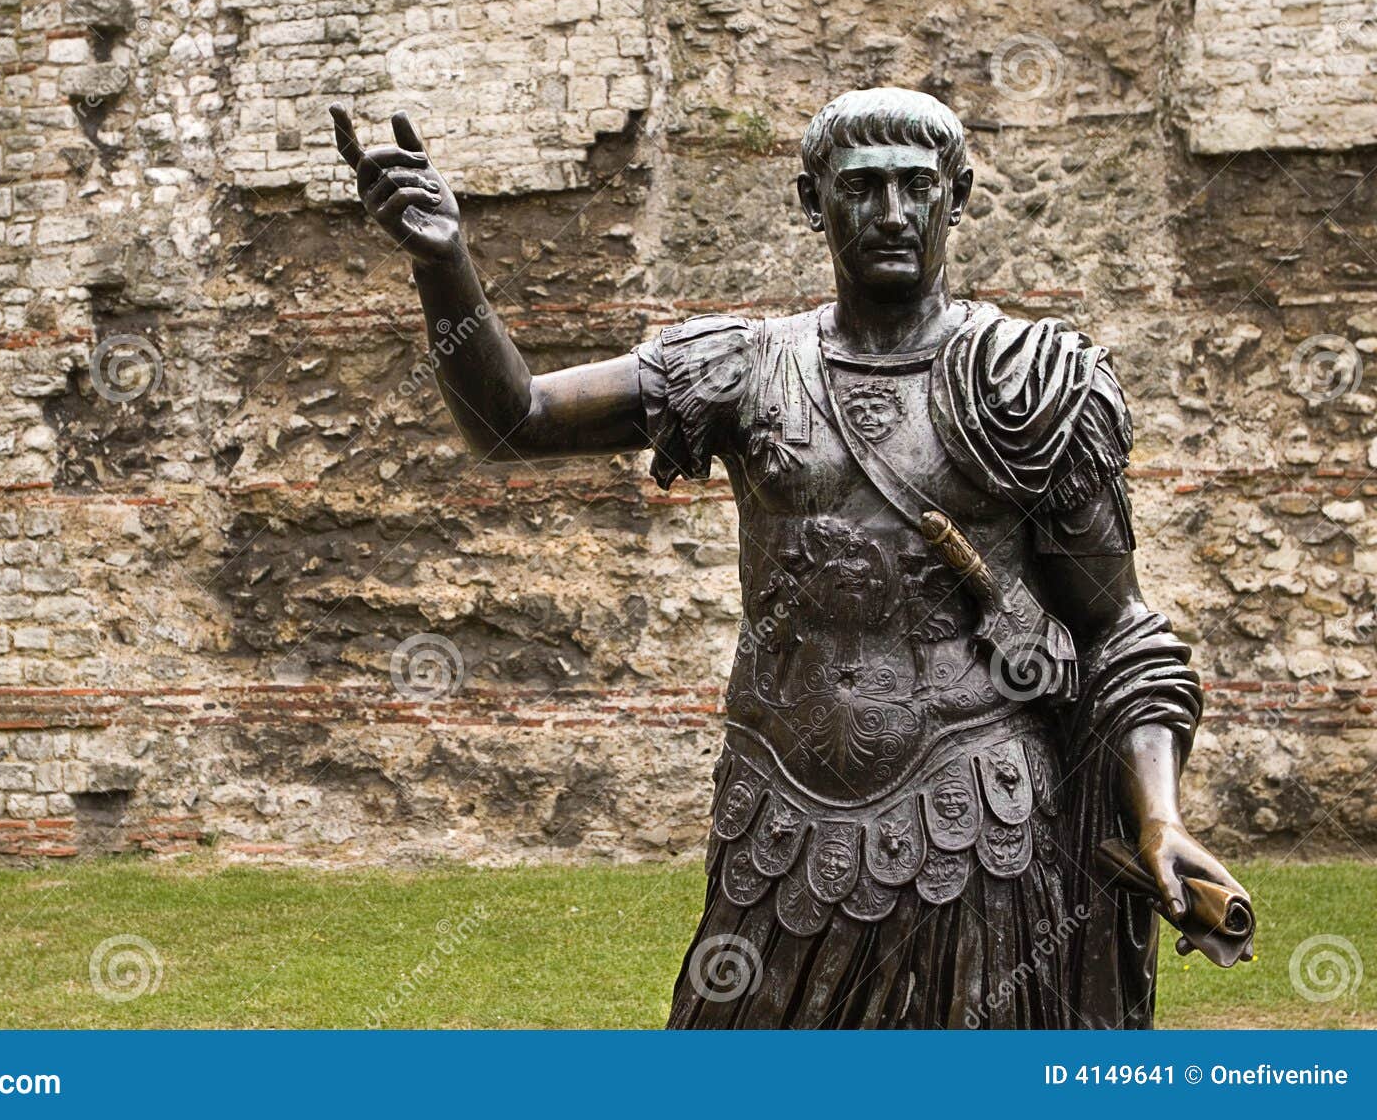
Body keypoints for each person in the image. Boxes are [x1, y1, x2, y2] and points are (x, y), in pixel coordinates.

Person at [330, 87, 1249, 1028]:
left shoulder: (1030, 382)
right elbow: (512, 418)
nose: (891, 213)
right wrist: (444, 264)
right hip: (782, 824)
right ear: (812, 200)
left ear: (959, 196)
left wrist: (1160, 815)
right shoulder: (743, 368)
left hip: (984, 823)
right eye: (860, 189)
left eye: (916, 187)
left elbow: (1118, 627)